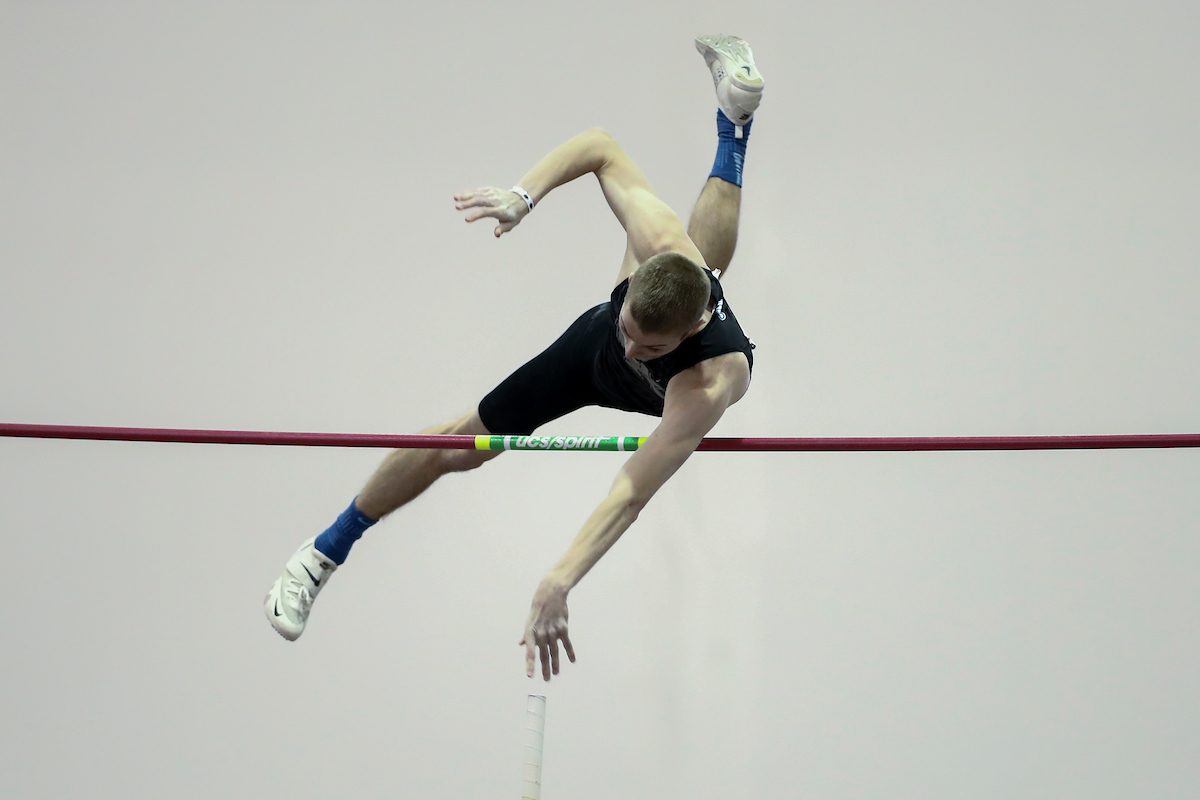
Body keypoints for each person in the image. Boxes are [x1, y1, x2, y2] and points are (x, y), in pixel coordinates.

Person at [264, 34, 765, 682]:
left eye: (651, 345)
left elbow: (630, 493)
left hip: (666, 388)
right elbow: (599, 145)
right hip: (591, 349)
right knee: (458, 447)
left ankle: (735, 126)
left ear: (691, 329)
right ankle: (324, 551)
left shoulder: (707, 384)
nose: (633, 348)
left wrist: (560, 578)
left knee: (707, 264)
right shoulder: (657, 246)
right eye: (631, 326)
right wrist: (522, 197)